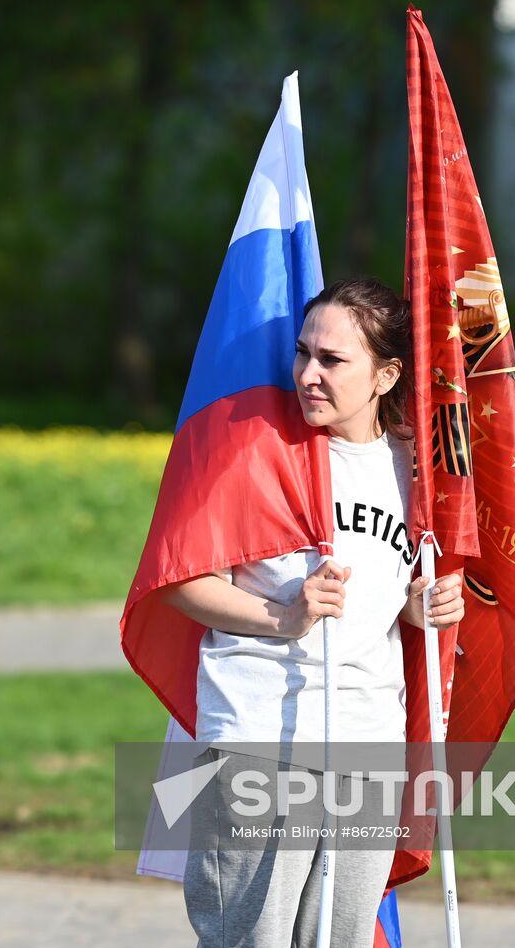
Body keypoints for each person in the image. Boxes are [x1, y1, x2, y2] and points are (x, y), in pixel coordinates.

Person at [158, 278, 466, 948]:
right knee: (252, 939)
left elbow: (388, 595)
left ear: (387, 375)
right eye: (303, 354)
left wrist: (422, 606)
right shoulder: (254, 447)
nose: (308, 374)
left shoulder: (413, 468)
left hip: (368, 739)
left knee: (344, 940)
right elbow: (182, 580)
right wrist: (283, 617)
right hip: (262, 732)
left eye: (332, 360)